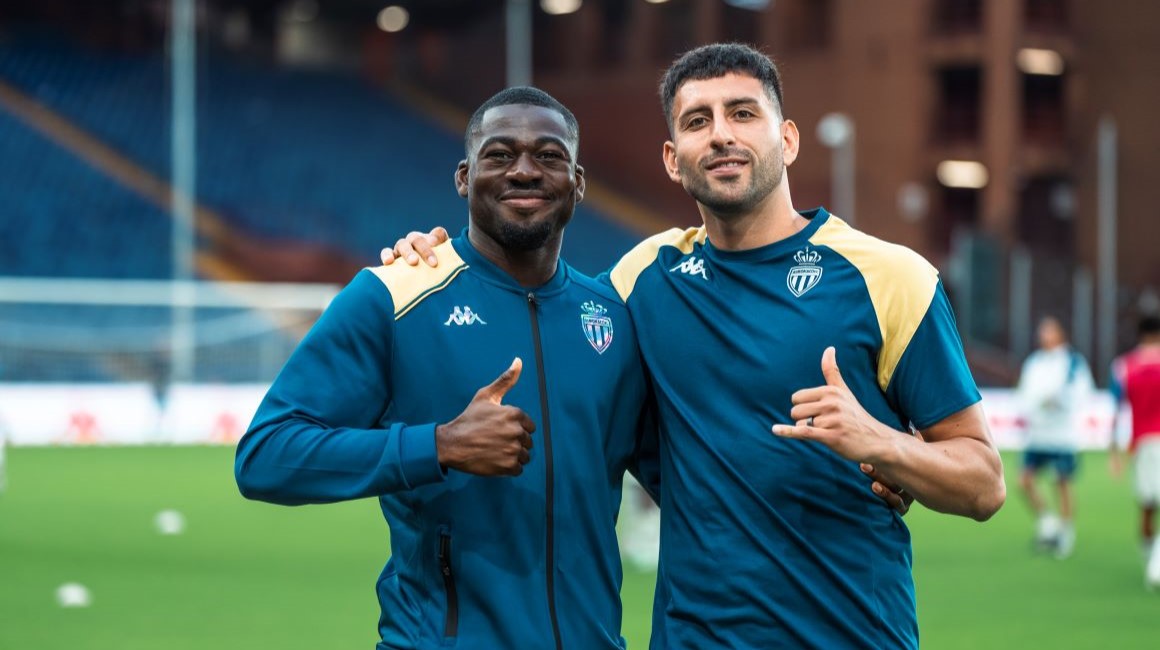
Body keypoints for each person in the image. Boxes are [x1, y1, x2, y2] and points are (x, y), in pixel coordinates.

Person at [382, 43, 1005, 649]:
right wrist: (434, 261)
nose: (721, 135)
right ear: (673, 159)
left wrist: (884, 444)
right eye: (697, 121)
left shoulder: (889, 277)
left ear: (787, 139)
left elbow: (983, 484)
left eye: (743, 113)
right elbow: (528, 309)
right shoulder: (642, 280)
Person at [235, 86, 661, 650]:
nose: (525, 171)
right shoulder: (394, 297)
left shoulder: (613, 316)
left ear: (577, 183)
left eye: (549, 155)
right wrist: (437, 446)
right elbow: (266, 457)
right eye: (500, 154)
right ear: (465, 177)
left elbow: (689, 479)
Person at [1015, 316, 1095, 558]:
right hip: (1038, 433)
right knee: (1024, 481)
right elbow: (1025, 393)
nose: (1044, 336)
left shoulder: (1073, 361)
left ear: (1060, 334)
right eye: (1042, 331)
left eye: (1049, 331)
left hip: (1062, 434)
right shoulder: (1034, 362)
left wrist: (1059, 402)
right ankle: (1048, 523)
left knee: (1062, 482)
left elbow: (1081, 392)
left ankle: (1066, 533)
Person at [1109, 314, 1160, 588]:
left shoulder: (1123, 366)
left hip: (1141, 444)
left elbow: (1116, 410)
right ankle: (1156, 566)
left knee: (1147, 507)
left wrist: (1114, 453)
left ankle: (1151, 560)